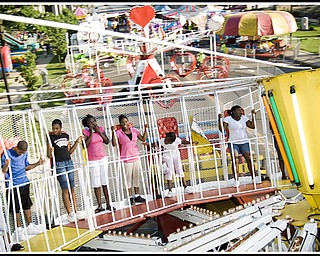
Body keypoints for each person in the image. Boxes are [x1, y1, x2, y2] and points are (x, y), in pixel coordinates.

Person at [1, 140, 44, 242]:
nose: (21, 154)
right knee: (15, 208)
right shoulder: (7, 154)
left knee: (26, 205)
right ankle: (18, 229)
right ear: (16, 148)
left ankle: (30, 225)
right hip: (13, 185)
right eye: (20, 152)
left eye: (22, 153)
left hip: (24, 182)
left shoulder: (24, 154)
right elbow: (3, 171)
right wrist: (6, 164)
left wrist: (38, 163)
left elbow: (26, 167)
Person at [47, 119, 85, 223]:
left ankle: (76, 211)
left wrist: (77, 142)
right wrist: (51, 150)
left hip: (69, 162)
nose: (55, 130)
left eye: (57, 128)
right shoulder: (50, 138)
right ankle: (69, 213)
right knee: (65, 188)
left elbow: (69, 151)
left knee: (72, 187)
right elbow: (49, 155)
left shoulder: (65, 136)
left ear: (60, 128)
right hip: (59, 164)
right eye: (53, 128)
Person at [111, 114, 148, 205]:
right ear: (120, 123)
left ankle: (137, 195)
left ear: (128, 122)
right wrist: (113, 132)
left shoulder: (134, 130)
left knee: (136, 177)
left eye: (126, 121)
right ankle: (130, 197)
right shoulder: (118, 133)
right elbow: (114, 144)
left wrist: (146, 129)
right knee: (128, 178)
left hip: (135, 156)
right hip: (126, 158)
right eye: (122, 122)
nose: (124, 123)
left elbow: (143, 138)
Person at [82, 114, 115, 213]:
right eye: (90, 123)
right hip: (92, 160)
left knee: (105, 181)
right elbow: (85, 146)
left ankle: (109, 204)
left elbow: (107, 141)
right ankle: (100, 205)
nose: (93, 124)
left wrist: (99, 132)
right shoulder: (85, 132)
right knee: (96, 182)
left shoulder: (100, 129)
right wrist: (91, 133)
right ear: (87, 125)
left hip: (102, 158)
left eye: (93, 121)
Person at [218, 105, 256, 184]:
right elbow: (222, 129)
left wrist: (253, 116)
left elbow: (252, 126)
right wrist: (219, 120)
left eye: (240, 110)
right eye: (238, 110)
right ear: (234, 112)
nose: (240, 112)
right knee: (235, 160)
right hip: (233, 143)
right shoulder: (228, 119)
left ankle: (254, 177)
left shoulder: (244, 118)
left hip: (244, 142)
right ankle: (236, 180)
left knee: (249, 159)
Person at [159, 132, 192, 197]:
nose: (166, 141)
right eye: (166, 139)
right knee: (169, 172)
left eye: (168, 141)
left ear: (172, 141)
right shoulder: (162, 141)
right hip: (167, 155)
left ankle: (185, 187)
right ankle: (170, 190)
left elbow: (182, 142)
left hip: (176, 155)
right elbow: (155, 144)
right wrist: (147, 144)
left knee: (179, 169)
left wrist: (190, 142)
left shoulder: (176, 140)